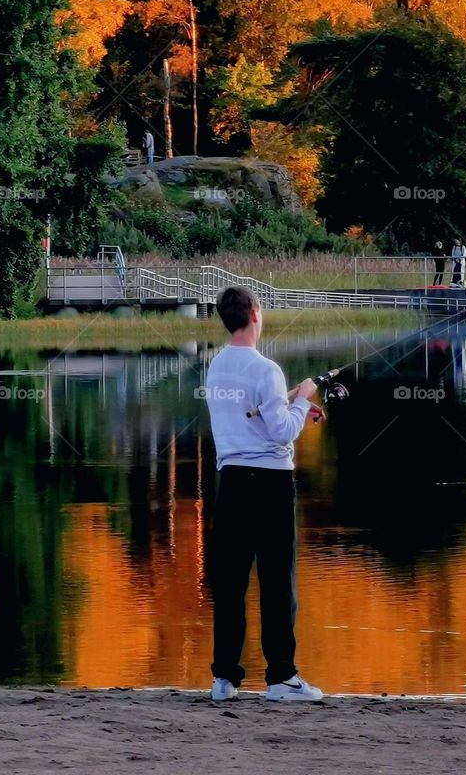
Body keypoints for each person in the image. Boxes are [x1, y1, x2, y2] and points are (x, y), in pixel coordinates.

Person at [203, 285, 324, 703]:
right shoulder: (266, 368)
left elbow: (248, 410)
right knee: (276, 582)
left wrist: (291, 402)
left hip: (232, 481)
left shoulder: (215, 367)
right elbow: (281, 431)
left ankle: (224, 679)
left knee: (232, 582)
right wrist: (304, 397)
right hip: (270, 482)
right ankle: (281, 678)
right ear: (255, 314)